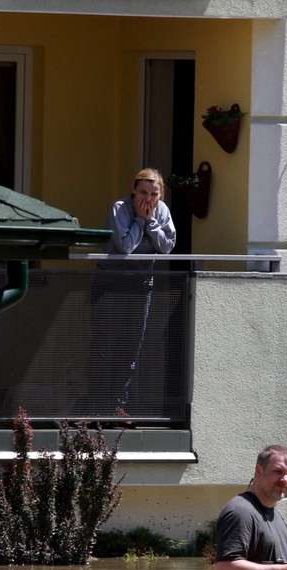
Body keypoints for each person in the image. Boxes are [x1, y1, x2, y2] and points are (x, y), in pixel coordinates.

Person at [89, 169, 176, 419]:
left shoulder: (162, 211)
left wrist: (150, 222)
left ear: (160, 195)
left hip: (141, 284)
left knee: (130, 347)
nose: (148, 198)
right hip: (111, 282)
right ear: (133, 191)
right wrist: (140, 219)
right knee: (105, 345)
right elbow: (126, 246)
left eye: (154, 194)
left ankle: (117, 405)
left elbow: (167, 247)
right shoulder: (120, 208)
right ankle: (97, 405)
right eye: (143, 192)